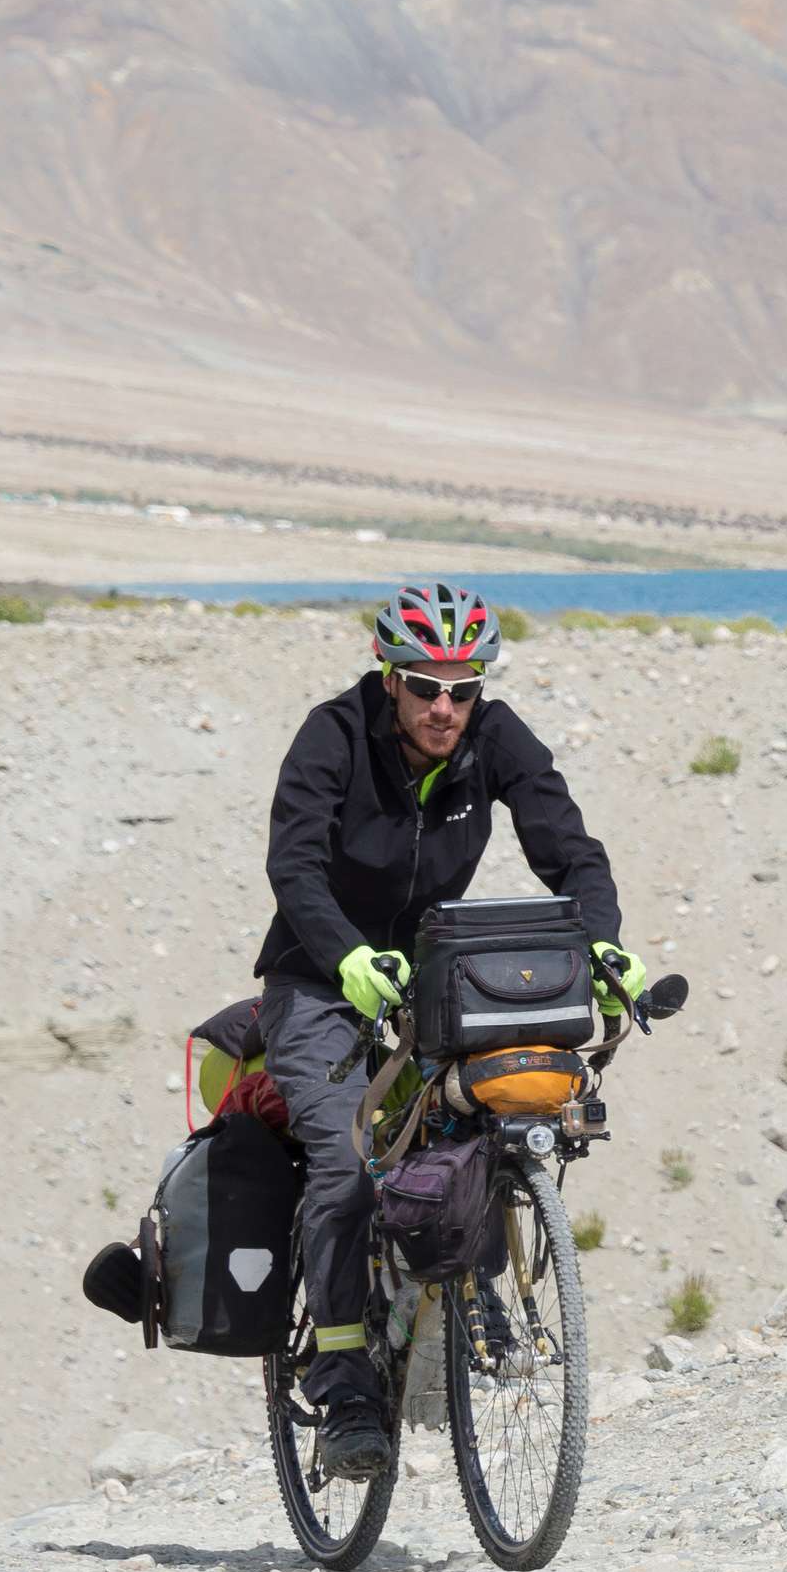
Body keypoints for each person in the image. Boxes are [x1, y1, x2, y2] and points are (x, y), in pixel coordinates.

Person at [254, 580, 634, 1478]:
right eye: (425, 687)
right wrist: (346, 955)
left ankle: (467, 1284)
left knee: (490, 1112)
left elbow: (570, 851)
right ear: (390, 677)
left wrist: (606, 944)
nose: (444, 709)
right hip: (318, 980)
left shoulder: (496, 738)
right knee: (346, 1159)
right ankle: (344, 1384)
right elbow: (293, 864)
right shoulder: (333, 735)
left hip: (431, 979)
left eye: (463, 691)